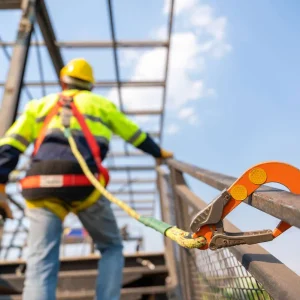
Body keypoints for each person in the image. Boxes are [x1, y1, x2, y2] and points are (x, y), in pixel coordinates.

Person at [0, 58, 173, 300]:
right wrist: (159, 153)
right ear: (90, 85)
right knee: (112, 246)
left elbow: (10, 145)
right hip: (82, 184)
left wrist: (0, 181)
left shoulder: (39, 105)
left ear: (63, 81)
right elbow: (135, 135)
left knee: (40, 260)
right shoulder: (101, 105)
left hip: (39, 184)